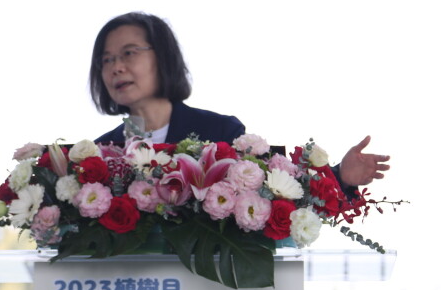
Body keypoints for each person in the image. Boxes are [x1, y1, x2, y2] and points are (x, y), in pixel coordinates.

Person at [90, 11, 389, 189]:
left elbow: (277, 193)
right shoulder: (98, 153)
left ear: (163, 57)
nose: (116, 67)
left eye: (129, 53)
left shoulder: (220, 133)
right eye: (107, 59)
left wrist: (339, 177)